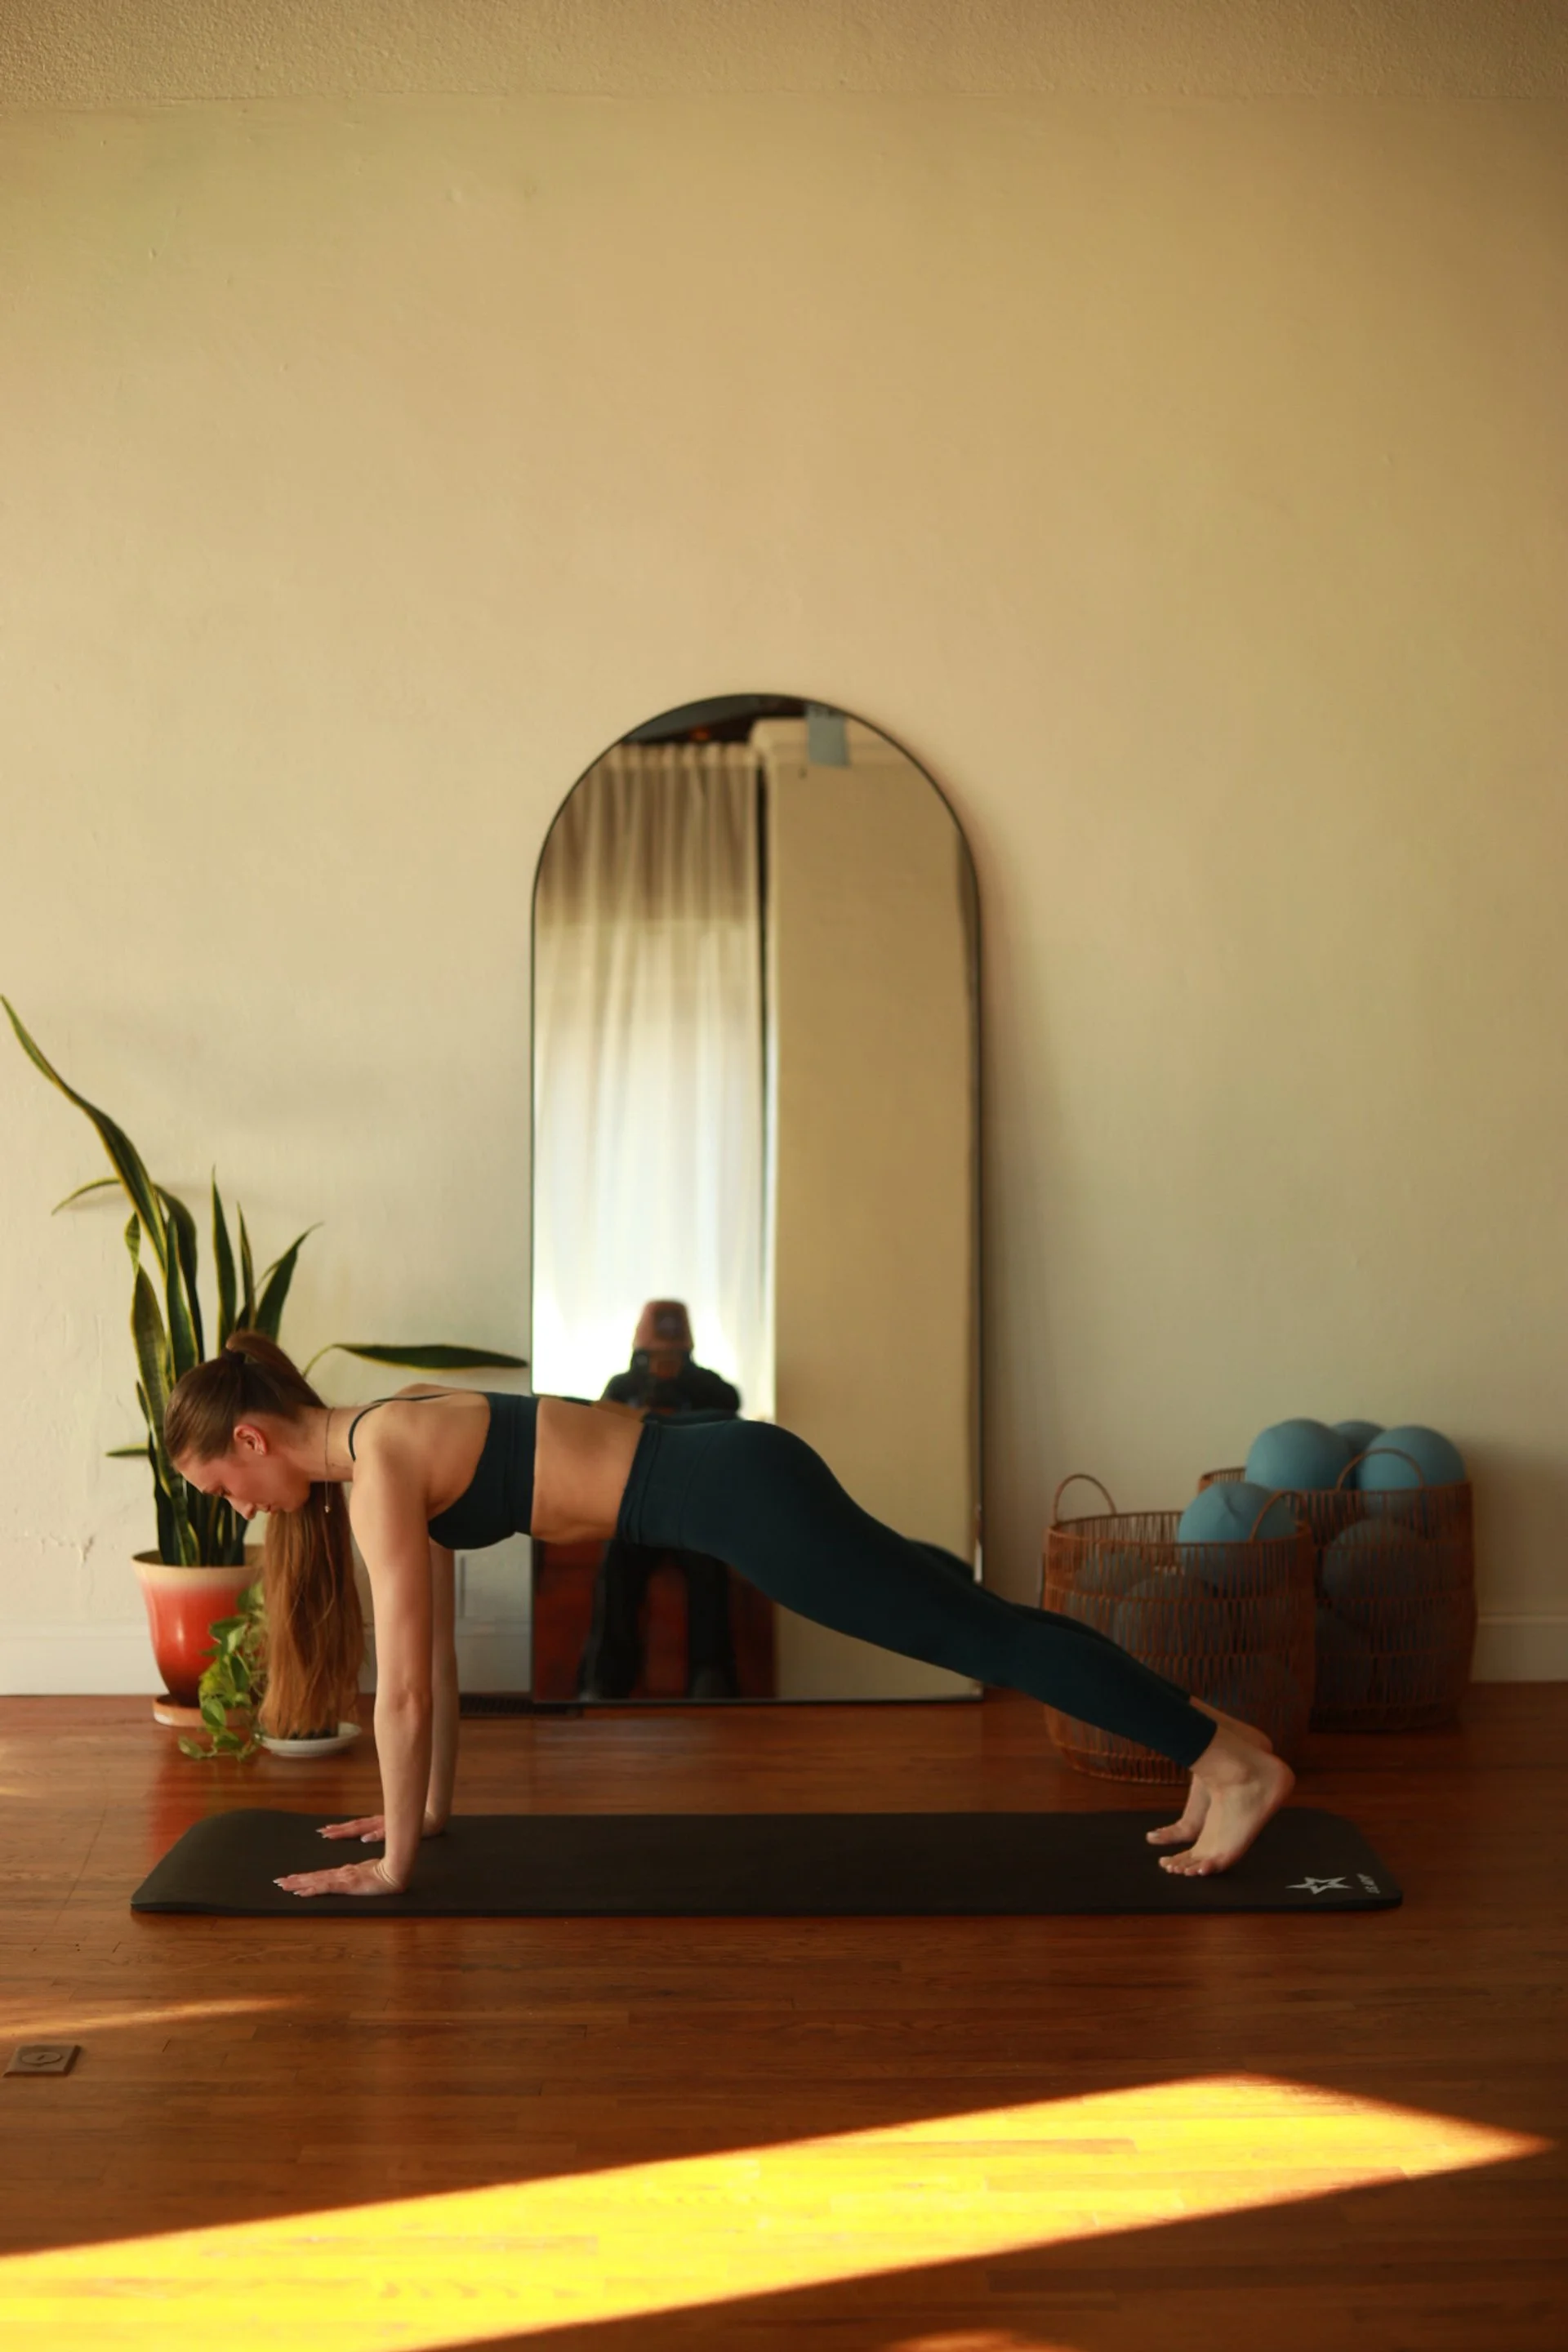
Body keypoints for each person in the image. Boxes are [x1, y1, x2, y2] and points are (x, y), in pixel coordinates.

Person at [163, 1331, 1294, 1898]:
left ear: (253, 1441)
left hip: (729, 1493)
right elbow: (436, 1662)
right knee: (975, 1612)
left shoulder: (380, 1458)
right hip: (727, 1469)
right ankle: (1222, 1749)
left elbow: (402, 1685)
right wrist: (428, 1818)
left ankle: (1227, 1763)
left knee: (974, 1634)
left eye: (224, 1488)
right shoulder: (388, 1428)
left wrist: (396, 1867)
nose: (240, 1510)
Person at [579, 1300, 742, 1699]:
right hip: (639, 1510)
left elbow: (729, 1408)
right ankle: (605, 1680)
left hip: (694, 1510)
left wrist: (682, 1386)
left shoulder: (708, 1386)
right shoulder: (623, 1387)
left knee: (710, 1577)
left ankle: (710, 1677)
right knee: (615, 1574)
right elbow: (600, 1432)